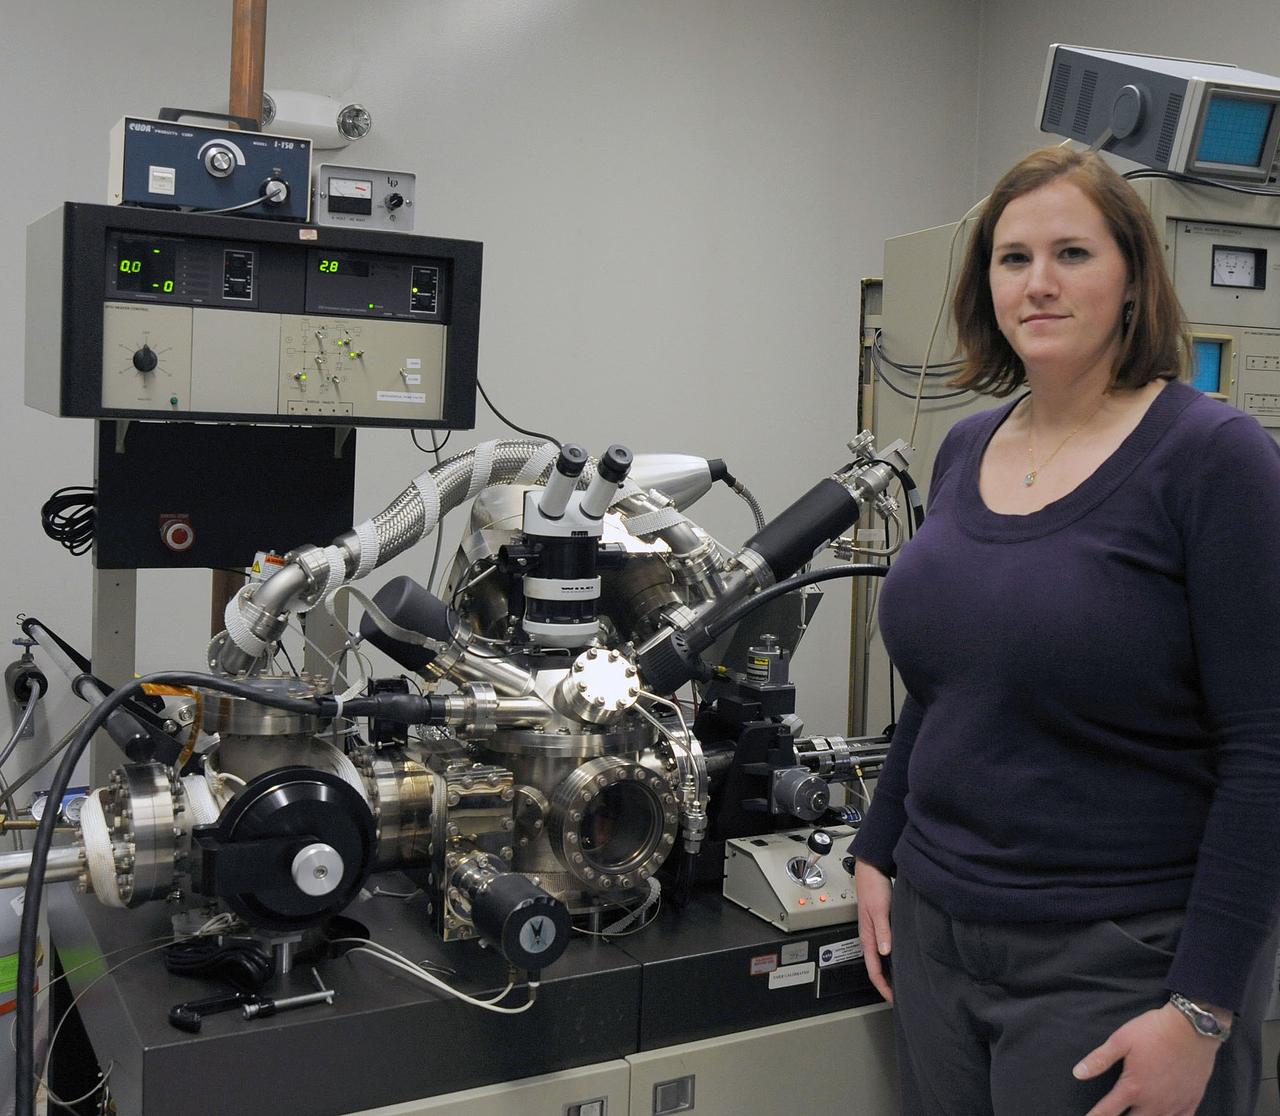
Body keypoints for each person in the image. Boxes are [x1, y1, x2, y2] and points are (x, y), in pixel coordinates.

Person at [851, 145, 1280, 1116]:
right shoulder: (968, 445)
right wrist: (877, 849)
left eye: (1071, 254)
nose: (1036, 283)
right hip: (933, 935)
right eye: (1011, 259)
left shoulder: (1213, 459)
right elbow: (946, 685)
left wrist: (1202, 1010)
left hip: (1111, 958)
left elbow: (1263, 750)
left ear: (1131, 280)